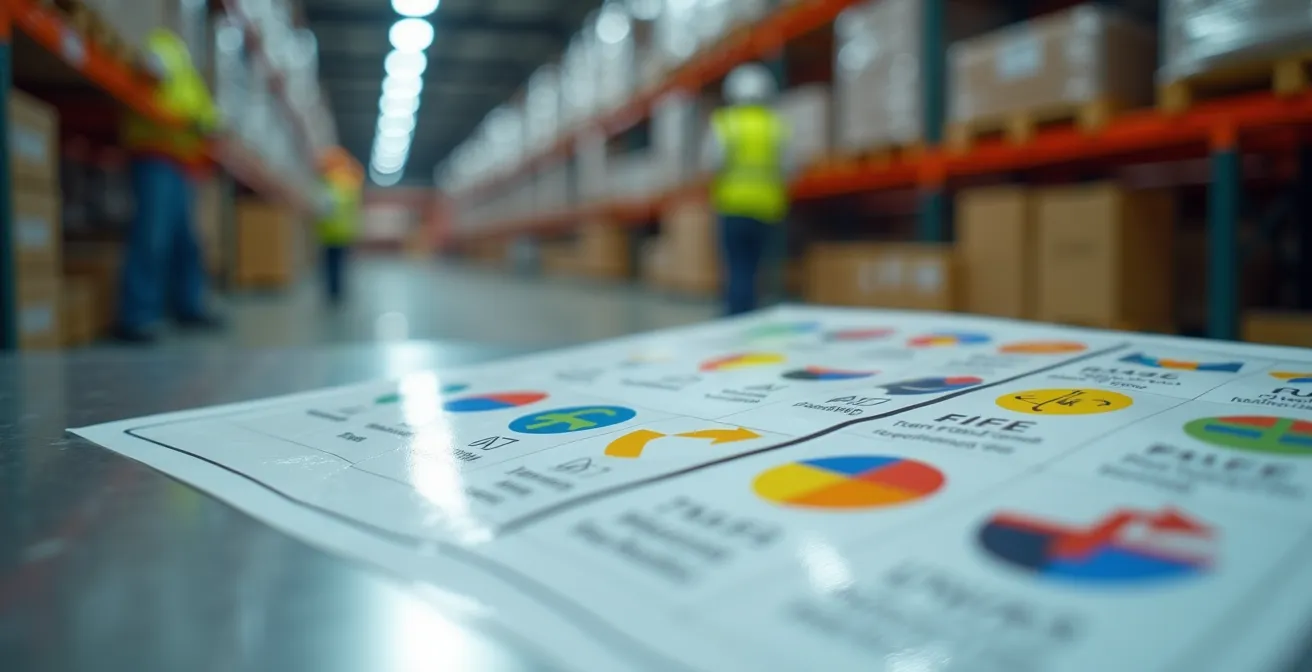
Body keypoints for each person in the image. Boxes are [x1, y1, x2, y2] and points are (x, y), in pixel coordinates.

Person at [116, 28, 222, 343]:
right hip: (155, 155)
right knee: (153, 235)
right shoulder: (161, 45)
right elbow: (150, 75)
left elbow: (205, 111)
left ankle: (188, 306)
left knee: (185, 240)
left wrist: (210, 124)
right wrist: (191, 120)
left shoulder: (187, 65)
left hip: (182, 162)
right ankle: (137, 316)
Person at [705, 62, 791, 316]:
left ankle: (736, 316)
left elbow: (711, 163)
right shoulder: (776, 125)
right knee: (757, 268)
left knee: (736, 267)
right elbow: (789, 166)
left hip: (733, 206)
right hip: (767, 208)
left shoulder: (725, 123)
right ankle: (753, 313)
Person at [316, 148, 362, 305]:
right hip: (345, 230)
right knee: (340, 263)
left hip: (330, 230)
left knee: (331, 263)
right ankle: (338, 291)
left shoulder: (331, 182)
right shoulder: (351, 182)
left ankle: (333, 293)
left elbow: (325, 206)